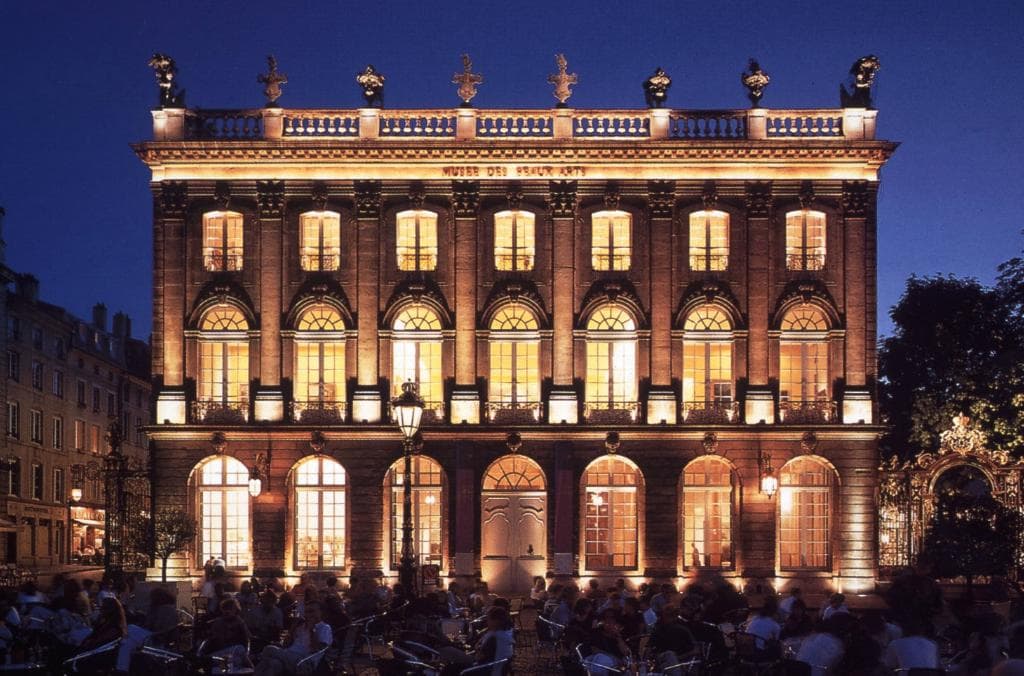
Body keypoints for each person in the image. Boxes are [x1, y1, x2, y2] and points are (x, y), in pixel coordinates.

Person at [255, 600, 332, 675]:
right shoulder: (301, 626)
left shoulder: (324, 627)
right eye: (306, 611)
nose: (308, 614)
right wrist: (293, 627)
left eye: (311, 611)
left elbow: (318, 650)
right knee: (274, 664)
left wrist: (312, 630)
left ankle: (256, 657)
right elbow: (285, 645)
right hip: (289, 656)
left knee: (269, 649)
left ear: (321, 612)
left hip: (304, 661)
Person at [649, 605, 696, 675]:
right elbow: (650, 649)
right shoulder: (658, 630)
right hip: (663, 662)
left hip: (682, 662)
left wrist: (678, 658)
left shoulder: (683, 629)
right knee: (669, 655)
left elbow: (695, 650)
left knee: (670, 655)